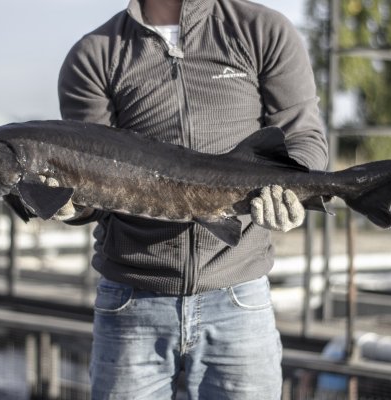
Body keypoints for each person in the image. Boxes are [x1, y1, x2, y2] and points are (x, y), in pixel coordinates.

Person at [57, 0, 328, 398]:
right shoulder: (94, 54)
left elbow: (304, 137)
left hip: (239, 295)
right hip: (131, 301)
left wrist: (292, 189)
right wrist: (68, 204)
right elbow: (89, 183)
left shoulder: (261, 29)